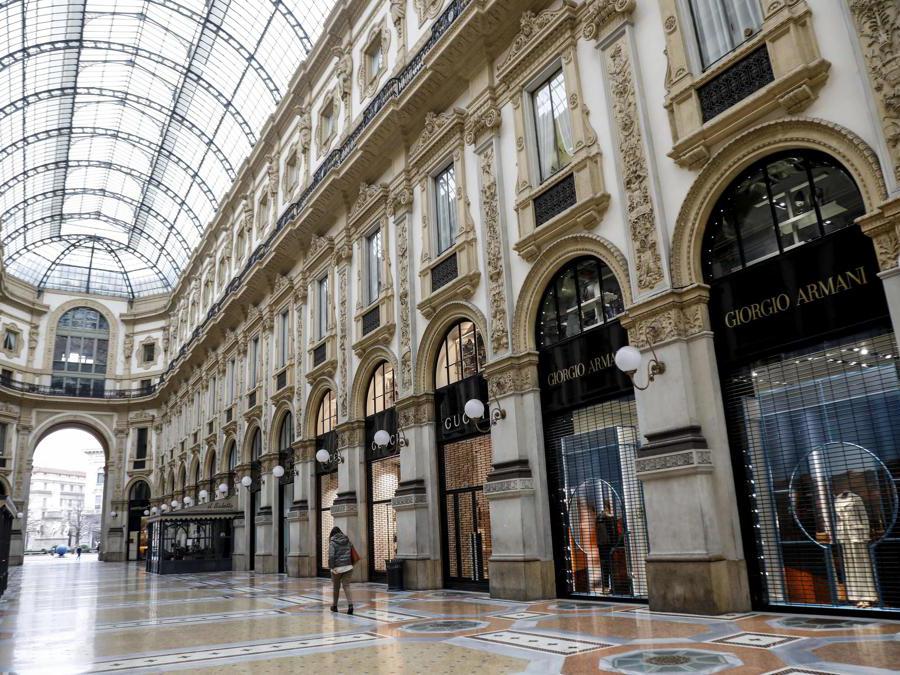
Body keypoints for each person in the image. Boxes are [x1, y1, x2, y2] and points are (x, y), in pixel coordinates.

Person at [328, 526, 355, 614]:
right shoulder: (347, 540)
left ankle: (334, 606)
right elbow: (352, 552)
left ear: (332, 534)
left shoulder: (332, 542)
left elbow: (331, 556)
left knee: (336, 588)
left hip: (337, 568)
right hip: (348, 567)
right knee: (346, 586)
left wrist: (332, 567)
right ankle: (350, 605)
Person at [595, 500, 618, 593]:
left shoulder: (598, 517)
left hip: (601, 545)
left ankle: (605, 588)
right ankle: (613, 587)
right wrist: (614, 545)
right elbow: (612, 532)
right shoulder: (609, 518)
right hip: (608, 545)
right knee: (611, 566)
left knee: (604, 566)